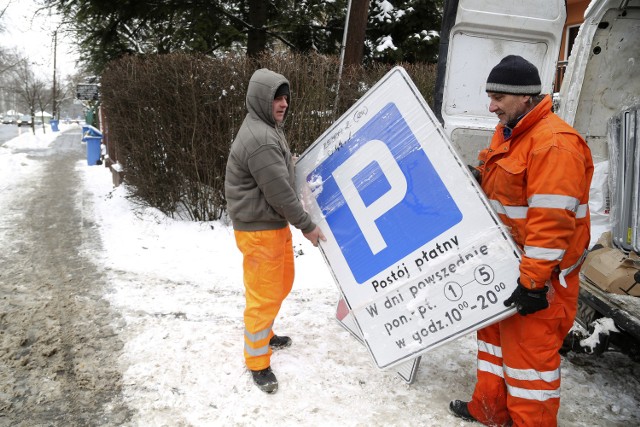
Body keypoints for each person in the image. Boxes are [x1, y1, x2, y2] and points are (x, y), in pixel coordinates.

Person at [449, 55, 594, 426]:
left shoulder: (554, 145)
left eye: (498, 97)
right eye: (490, 96)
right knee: (494, 344)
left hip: (540, 279)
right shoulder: (512, 131)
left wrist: (532, 282)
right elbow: (509, 193)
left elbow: (551, 223)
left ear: (525, 97)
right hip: (506, 266)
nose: (491, 105)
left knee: (531, 368)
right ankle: (490, 410)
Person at [224, 68, 325, 394]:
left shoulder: (266, 127)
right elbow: (280, 193)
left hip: (270, 225)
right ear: (260, 100)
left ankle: (265, 332)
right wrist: (307, 226)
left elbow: (276, 174)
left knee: (279, 284)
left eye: (285, 98)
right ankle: (257, 362)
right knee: (264, 295)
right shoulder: (261, 138)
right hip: (259, 230)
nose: (282, 104)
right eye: (275, 98)